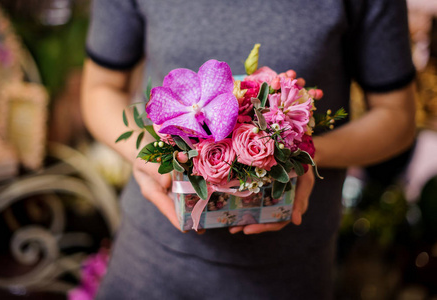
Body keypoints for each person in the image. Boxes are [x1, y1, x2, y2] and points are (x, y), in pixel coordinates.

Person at [81, 0, 416, 299]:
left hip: (288, 270)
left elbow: (397, 117)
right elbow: (101, 86)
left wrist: (303, 154)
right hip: (150, 259)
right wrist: (149, 157)